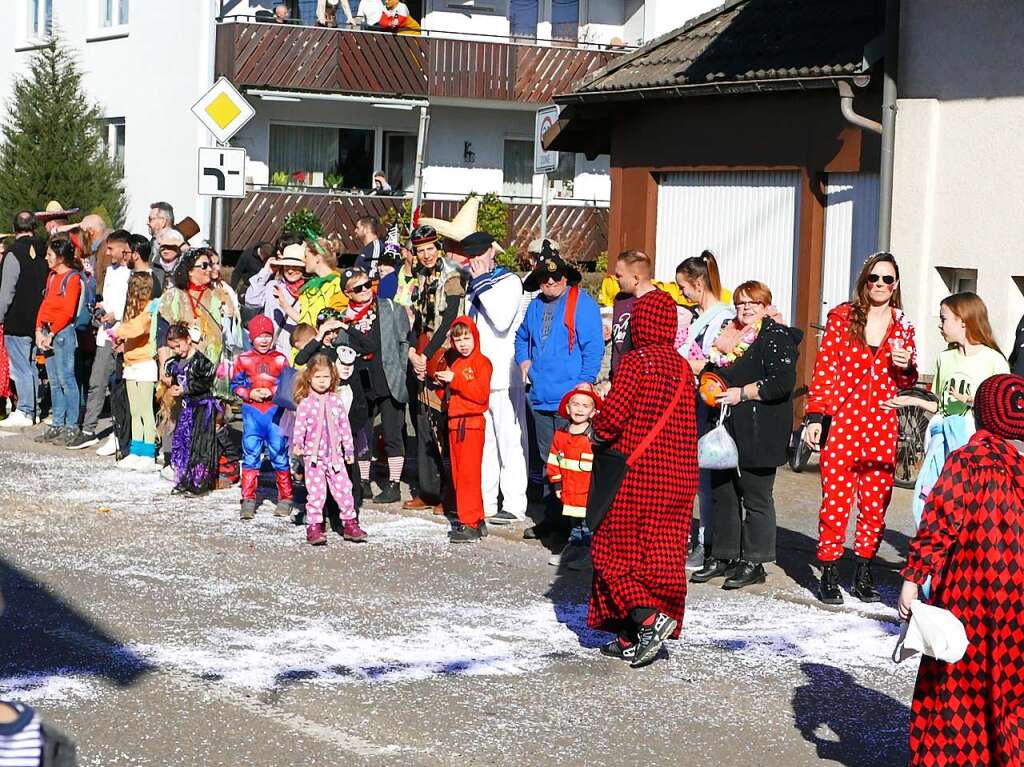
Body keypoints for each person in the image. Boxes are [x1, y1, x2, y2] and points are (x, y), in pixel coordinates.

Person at [898, 373, 1024, 767]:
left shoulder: (966, 463)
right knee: (1009, 688)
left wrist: (913, 577)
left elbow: (938, 524)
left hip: (967, 596)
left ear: (980, 414)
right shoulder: (1020, 471)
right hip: (1016, 602)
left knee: (958, 684)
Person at [589, 290, 698, 668]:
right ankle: (628, 636)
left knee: (610, 551)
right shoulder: (684, 368)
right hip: (680, 479)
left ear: (640, 324)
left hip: (639, 476)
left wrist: (595, 431)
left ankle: (649, 619)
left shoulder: (636, 362)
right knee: (658, 559)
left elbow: (614, 417)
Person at [804, 252, 918, 605]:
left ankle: (864, 570)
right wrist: (815, 416)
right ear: (864, 281)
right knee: (835, 502)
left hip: (882, 425)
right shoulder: (841, 317)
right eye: (874, 278)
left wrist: (906, 366)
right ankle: (829, 571)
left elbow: (909, 380)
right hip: (844, 421)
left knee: (874, 504)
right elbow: (825, 370)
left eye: (887, 279)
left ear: (896, 285)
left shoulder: (904, 326)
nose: (880, 285)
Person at [690, 281, 801, 590]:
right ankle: (723, 555)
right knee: (723, 492)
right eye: (740, 303)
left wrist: (742, 393)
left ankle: (754, 561)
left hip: (759, 429)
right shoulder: (729, 333)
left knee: (755, 496)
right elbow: (717, 368)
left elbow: (781, 382)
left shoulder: (775, 335)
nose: (746, 308)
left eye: (753, 302)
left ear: (766, 306)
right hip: (726, 428)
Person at [892, 293, 1008, 533]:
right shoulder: (944, 358)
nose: (939, 325)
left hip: (974, 451)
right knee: (934, 507)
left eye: (944, 319)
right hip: (941, 447)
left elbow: (1002, 417)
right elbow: (941, 406)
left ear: (963, 320)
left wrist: (976, 402)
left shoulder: (994, 361)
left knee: (968, 515)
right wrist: (911, 400)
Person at [514, 251, 603, 539]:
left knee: (575, 464)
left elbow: (593, 347)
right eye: (544, 277)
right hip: (541, 395)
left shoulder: (583, 304)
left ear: (565, 277)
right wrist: (523, 360)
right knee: (549, 460)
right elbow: (521, 337)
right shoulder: (536, 305)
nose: (550, 281)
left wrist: (585, 384)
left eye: (555, 276)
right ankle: (552, 519)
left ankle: (577, 526)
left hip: (572, 399)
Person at [462, 231, 529, 525]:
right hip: (478, 375)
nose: (475, 263)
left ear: (492, 252)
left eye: (480, 256)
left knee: (510, 439)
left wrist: (480, 284)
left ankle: (514, 503)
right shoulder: (475, 284)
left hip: (504, 372)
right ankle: (487, 500)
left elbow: (501, 321)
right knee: (485, 442)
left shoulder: (509, 281)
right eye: (471, 258)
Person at [675, 251, 735, 569]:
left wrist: (684, 363)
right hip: (692, 404)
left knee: (709, 478)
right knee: (697, 478)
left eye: (683, 287)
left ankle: (708, 540)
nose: (681, 293)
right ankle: (699, 538)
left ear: (698, 284)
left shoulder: (723, 318)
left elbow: (719, 363)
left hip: (710, 407)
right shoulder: (698, 317)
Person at [403, 225, 465, 513]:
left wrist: (425, 354)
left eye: (430, 248)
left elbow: (449, 317)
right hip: (425, 346)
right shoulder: (421, 277)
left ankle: (447, 493)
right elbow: (418, 320)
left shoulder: (451, 275)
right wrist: (415, 352)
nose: (426, 255)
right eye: (420, 250)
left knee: (441, 423)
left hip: (444, 349)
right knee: (422, 422)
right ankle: (427, 490)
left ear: (438, 248)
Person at [336, 267, 410, 504]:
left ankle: (393, 484)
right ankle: (364, 481)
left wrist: (401, 369)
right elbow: (341, 348)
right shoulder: (344, 318)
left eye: (368, 284)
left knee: (392, 432)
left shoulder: (389, 308)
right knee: (361, 432)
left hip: (388, 376)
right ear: (348, 293)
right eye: (359, 288)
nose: (366, 291)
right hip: (361, 380)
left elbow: (404, 341)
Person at [291, 354, 367, 545]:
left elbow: (344, 427)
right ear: (309, 377)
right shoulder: (306, 403)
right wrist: (298, 444)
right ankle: (315, 526)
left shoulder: (336, 401)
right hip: (314, 457)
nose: (322, 381)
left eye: (325, 377)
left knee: (344, 489)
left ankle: (350, 523)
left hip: (335, 456)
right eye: (318, 377)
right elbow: (300, 427)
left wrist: (349, 451)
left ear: (332, 377)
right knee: (316, 493)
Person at [68, 231, 132, 451]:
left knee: (122, 386)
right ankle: (89, 430)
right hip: (106, 335)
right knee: (97, 382)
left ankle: (121, 431)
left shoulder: (134, 273)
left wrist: (118, 315)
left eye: (111, 248)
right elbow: (108, 299)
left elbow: (137, 305)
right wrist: (102, 309)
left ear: (124, 249)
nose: (107, 252)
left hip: (125, 336)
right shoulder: (110, 272)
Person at [232, 314, 293, 520]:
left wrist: (273, 392)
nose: (264, 340)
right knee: (250, 456)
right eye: (260, 336)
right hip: (252, 415)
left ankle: (285, 498)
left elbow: (288, 385)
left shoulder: (280, 359)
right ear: (252, 337)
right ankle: (248, 499)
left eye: (268, 335)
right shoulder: (243, 359)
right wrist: (250, 394)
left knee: (279, 454)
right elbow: (235, 386)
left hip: (275, 415)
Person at [436, 316, 492, 543]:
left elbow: (480, 395)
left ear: (475, 337)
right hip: (455, 422)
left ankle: (469, 522)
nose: (463, 344)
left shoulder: (481, 362)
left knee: (468, 475)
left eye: (467, 338)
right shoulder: (456, 362)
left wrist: (455, 379)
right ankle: (476, 519)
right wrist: (442, 385)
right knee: (460, 475)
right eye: (458, 340)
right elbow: (452, 393)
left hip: (470, 424)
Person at [0, 211, 48, 428]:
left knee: (20, 367)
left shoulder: (13, 253)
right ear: (34, 227)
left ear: (14, 227)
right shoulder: (44, 251)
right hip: (38, 318)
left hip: (17, 318)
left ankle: (26, 409)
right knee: (30, 365)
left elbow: (6, 292)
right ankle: (35, 409)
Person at [33, 238, 83, 446]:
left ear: (61, 257)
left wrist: (51, 332)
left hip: (62, 334)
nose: (46, 258)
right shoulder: (52, 276)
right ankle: (57, 423)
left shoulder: (72, 279)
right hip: (47, 332)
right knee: (54, 381)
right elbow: (45, 304)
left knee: (67, 380)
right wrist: (38, 330)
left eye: (50, 255)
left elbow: (68, 311)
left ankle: (72, 426)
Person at [546, 384, 602, 568]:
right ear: (568, 408)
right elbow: (554, 461)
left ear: (593, 412)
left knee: (587, 525)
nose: (579, 409)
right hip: (569, 489)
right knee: (574, 522)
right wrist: (556, 484)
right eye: (576, 404)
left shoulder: (594, 437)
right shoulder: (561, 434)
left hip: (588, 492)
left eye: (585, 406)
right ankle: (574, 547)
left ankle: (588, 553)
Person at [111, 272, 159, 471]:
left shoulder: (151, 308)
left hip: (146, 363)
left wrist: (118, 332)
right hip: (130, 364)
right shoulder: (134, 312)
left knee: (146, 411)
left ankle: (148, 453)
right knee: (134, 410)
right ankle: (135, 450)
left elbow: (138, 328)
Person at [163, 322, 218, 495]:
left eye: (179, 346)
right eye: (173, 348)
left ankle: (198, 482)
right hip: (186, 409)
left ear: (188, 339)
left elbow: (206, 382)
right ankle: (183, 479)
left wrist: (186, 389)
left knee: (199, 446)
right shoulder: (174, 362)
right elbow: (173, 380)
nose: (177, 350)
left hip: (202, 408)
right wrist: (172, 387)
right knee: (183, 444)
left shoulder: (202, 362)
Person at [245, 242, 306, 356]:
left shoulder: (310, 291)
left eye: (296, 267)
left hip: (298, 354)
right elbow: (251, 301)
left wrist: (285, 305)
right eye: (287, 266)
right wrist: (266, 271)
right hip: (273, 353)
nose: (291, 271)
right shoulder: (273, 286)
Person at [296, 239, 345, 327]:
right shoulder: (311, 285)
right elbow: (305, 320)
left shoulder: (338, 283)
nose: (304, 260)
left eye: (306, 256)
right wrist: (284, 305)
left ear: (317, 258)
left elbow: (338, 318)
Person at [127, 234, 162, 299]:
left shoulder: (146, 283)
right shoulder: (135, 276)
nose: (124, 256)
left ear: (135, 255)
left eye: (125, 253)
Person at [152, 228, 185, 294]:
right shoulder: (152, 266)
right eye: (162, 246)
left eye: (169, 246)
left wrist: (182, 245)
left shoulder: (185, 266)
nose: (165, 249)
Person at [353, 215, 382, 280]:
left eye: (357, 228)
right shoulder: (367, 248)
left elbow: (374, 275)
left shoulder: (375, 248)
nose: (355, 230)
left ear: (366, 230)